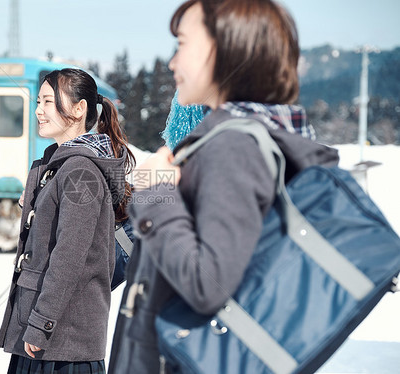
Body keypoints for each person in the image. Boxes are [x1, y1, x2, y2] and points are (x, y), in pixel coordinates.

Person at [108, 1, 339, 373]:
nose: (172, 63)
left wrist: (158, 191)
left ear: (226, 49)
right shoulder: (254, 137)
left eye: (182, 44)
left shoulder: (233, 147)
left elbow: (207, 282)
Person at [0, 68, 135, 374]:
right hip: (45, 338)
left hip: (61, 346)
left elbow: (69, 257)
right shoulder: (60, 166)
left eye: (47, 101)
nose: (37, 110)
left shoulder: (80, 172)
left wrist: (41, 323)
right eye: (39, 101)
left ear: (78, 109)